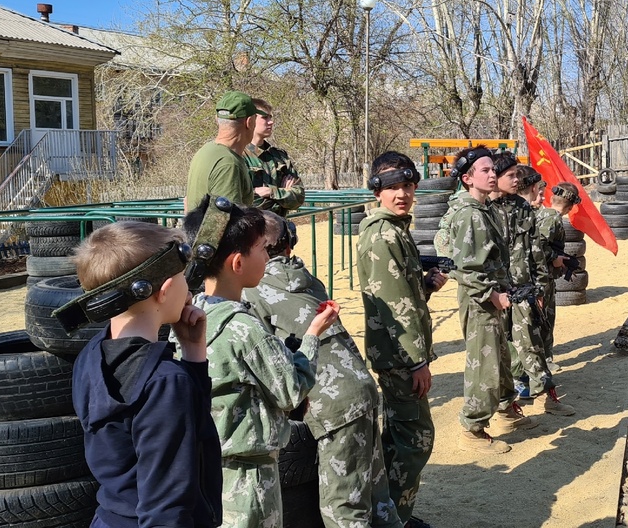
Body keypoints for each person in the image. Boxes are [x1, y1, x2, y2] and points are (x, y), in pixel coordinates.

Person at [183, 196, 338, 528]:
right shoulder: (245, 327)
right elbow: (291, 391)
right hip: (250, 477)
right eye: (263, 250)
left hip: (208, 467)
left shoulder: (193, 313)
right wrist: (311, 336)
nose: (269, 257)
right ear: (238, 263)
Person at [245, 211, 404, 528]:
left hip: (330, 404)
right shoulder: (307, 279)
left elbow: (262, 361)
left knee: (343, 506)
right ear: (289, 244)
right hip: (362, 389)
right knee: (377, 494)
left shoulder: (252, 292)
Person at [69, 221, 222, 528]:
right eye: (181, 277)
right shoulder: (165, 382)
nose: (187, 287)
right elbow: (165, 506)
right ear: (164, 291)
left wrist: (193, 355)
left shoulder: (92, 355)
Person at [357, 152, 448, 527]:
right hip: (399, 358)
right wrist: (417, 362)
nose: (403, 194)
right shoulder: (383, 235)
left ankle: (389, 511)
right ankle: (393, 517)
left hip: (398, 353)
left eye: (408, 186)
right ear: (377, 190)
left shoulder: (395, 230)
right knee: (416, 440)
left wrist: (426, 285)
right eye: (393, 187)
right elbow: (396, 308)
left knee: (397, 439)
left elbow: (402, 295)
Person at [435, 145, 535, 454]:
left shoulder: (480, 209)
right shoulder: (470, 214)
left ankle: (505, 410)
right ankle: (473, 428)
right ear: (467, 178)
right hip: (482, 300)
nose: (493, 174)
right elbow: (465, 266)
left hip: (492, 295)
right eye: (485, 171)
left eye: (494, 169)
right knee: (485, 365)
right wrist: (491, 295)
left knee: (501, 357)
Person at [489, 158, 574, 418]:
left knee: (532, 342)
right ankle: (508, 403)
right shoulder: (482, 209)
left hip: (523, 289)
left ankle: (545, 397)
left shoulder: (522, 208)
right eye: (510, 175)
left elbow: (535, 250)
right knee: (502, 347)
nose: (515, 181)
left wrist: (538, 287)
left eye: (518, 176)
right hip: (495, 291)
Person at [530, 180, 582, 371]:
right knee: (545, 319)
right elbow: (539, 246)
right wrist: (555, 258)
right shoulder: (553, 219)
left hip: (540, 274)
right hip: (543, 277)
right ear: (569, 207)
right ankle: (545, 360)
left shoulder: (541, 213)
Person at [186, 91, 262, 209]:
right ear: (250, 122)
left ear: (217, 119)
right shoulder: (229, 163)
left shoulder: (204, 151)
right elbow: (227, 224)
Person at [247, 98, 306, 216]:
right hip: (252, 230)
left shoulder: (280, 156)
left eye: (271, 117)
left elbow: (299, 197)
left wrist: (271, 192)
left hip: (280, 229)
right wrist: (284, 194)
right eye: (265, 117)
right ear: (251, 120)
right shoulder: (238, 156)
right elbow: (244, 202)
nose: (271, 122)